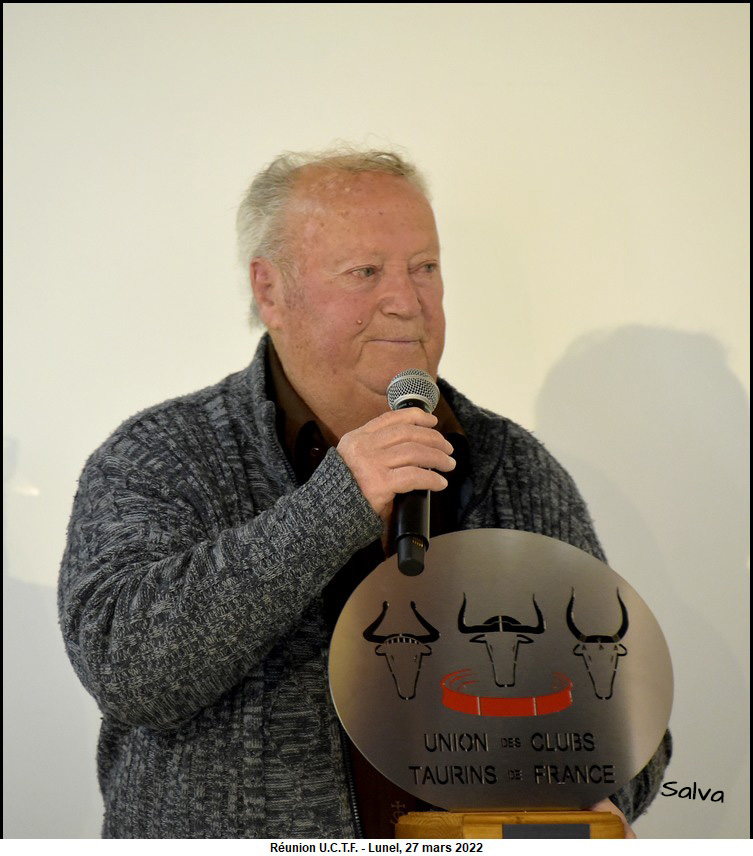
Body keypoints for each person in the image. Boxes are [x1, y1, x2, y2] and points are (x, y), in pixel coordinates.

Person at [58, 147, 670, 839]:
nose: (407, 302)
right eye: (365, 272)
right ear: (270, 290)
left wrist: (599, 795)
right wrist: (334, 507)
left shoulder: (513, 466)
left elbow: (623, 698)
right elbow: (128, 672)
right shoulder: (162, 453)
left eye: (424, 268)